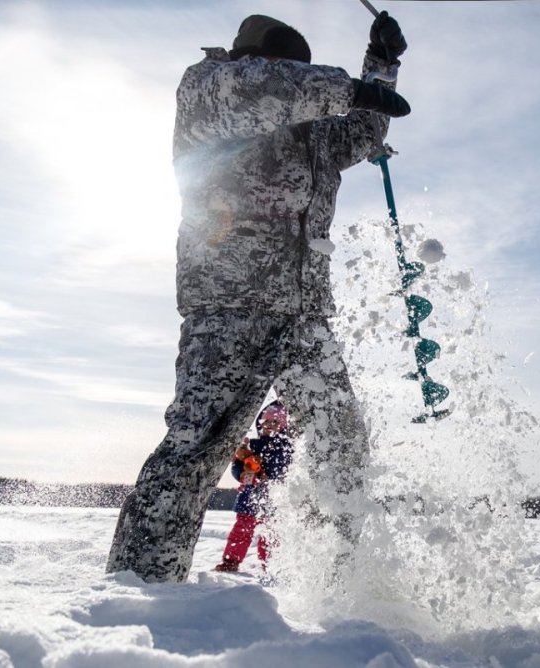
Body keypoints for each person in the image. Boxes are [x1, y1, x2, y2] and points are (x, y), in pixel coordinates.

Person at [107, 12, 411, 583]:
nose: (293, 77)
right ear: (254, 58)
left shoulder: (314, 130)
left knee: (343, 445)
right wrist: (349, 86)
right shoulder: (211, 87)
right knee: (200, 445)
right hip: (231, 305)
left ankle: (338, 587)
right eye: (286, 66)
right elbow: (268, 91)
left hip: (307, 314)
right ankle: (141, 586)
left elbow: (363, 132)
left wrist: (382, 66)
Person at [215, 403, 294, 573]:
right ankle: (231, 560)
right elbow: (237, 466)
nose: (268, 426)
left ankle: (271, 564)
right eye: (266, 422)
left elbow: (281, 468)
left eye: (274, 423)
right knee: (241, 530)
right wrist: (241, 473)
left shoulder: (284, 447)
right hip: (249, 497)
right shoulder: (251, 445)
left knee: (269, 533)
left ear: (282, 427)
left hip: (272, 498)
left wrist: (264, 471)